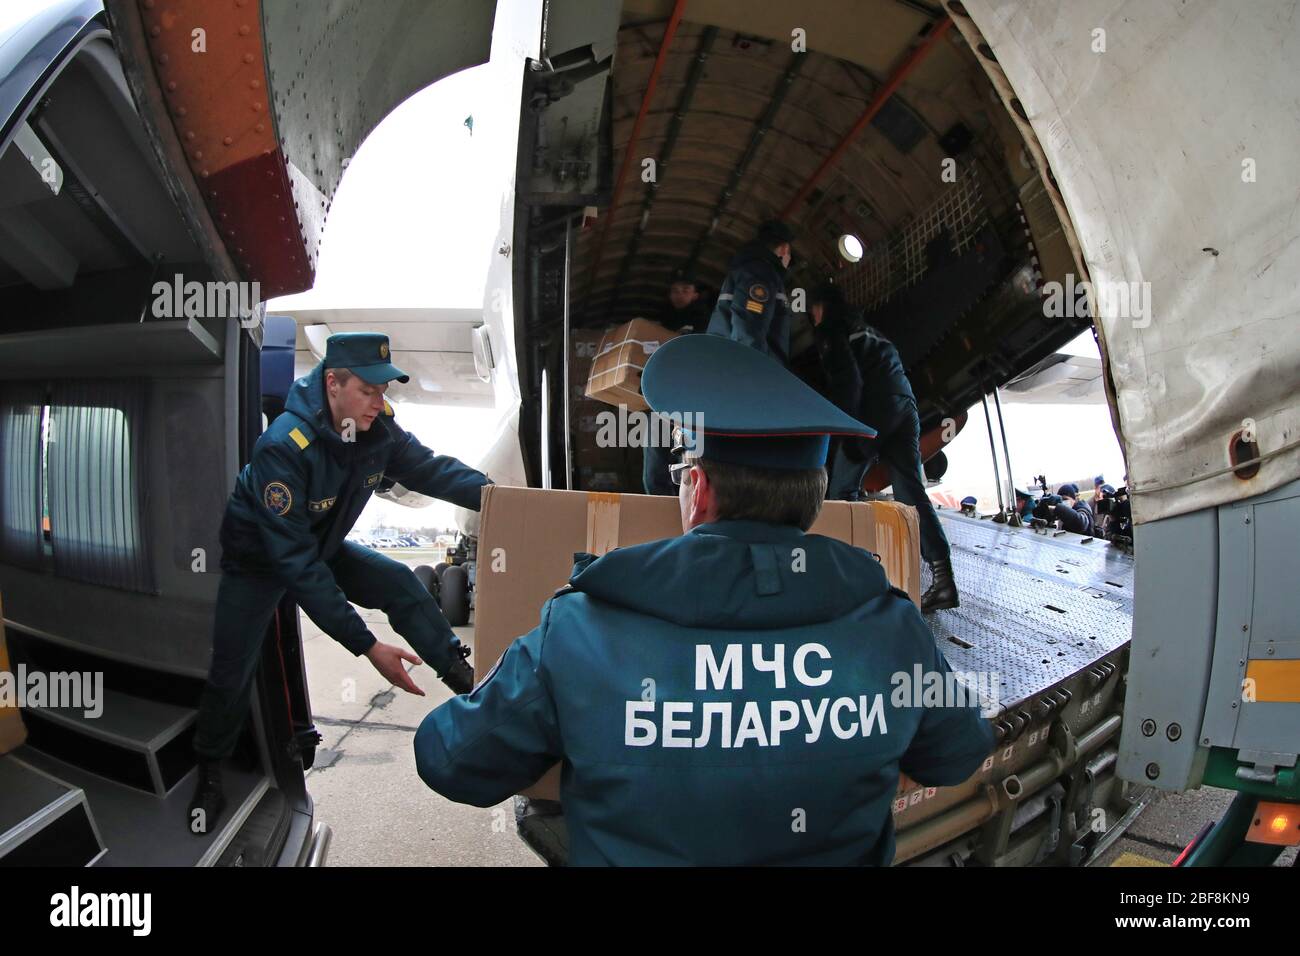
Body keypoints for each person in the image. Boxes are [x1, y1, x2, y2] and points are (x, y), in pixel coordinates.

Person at [414, 334, 994, 866]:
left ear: (700, 488)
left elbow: (451, 762)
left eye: (684, 471)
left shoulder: (582, 627)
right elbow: (958, 753)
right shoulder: (893, 629)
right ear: (813, 502)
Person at [189, 333, 489, 832]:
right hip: (264, 562)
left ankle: (465, 681)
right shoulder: (284, 446)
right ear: (333, 383)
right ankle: (210, 771)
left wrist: (506, 498)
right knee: (232, 670)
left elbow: (434, 472)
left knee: (398, 581)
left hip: (318, 545)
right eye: (369, 390)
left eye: (384, 390)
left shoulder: (377, 432)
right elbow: (298, 568)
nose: (380, 401)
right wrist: (369, 646)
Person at [809, 282, 959, 613]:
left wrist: (848, 434)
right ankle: (944, 581)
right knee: (912, 494)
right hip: (905, 407)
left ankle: (845, 583)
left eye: (814, 310)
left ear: (824, 308)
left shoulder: (832, 331)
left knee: (840, 497)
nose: (812, 316)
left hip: (873, 410)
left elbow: (848, 382)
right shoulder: (871, 333)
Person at [643, 272, 710, 495]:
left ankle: (687, 504)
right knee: (654, 465)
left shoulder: (706, 323)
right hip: (658, 400)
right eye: (675, 291)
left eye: (685, 290)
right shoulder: (657, 322)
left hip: (691, 402)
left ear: (696, 294)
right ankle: (658, 506)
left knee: (687, 460)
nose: (679, 295)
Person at [707, 219, 795, 364]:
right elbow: (748, 327)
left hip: (724, 362)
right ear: (784, 249)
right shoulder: (761, 272)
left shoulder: (748, 269)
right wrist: (753, 372)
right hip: (743, 369)